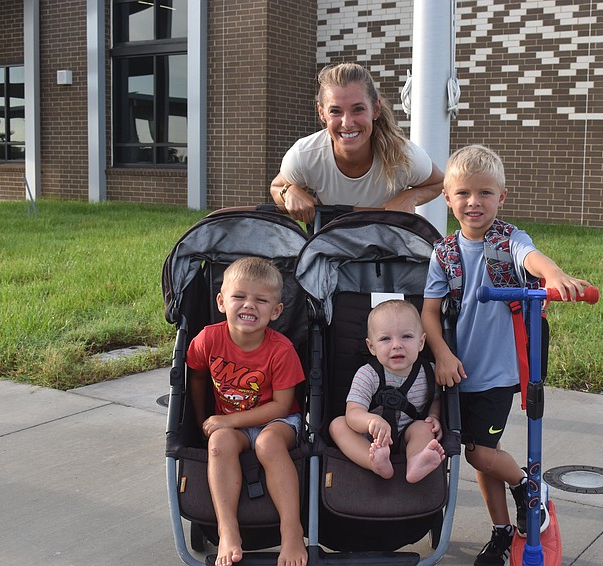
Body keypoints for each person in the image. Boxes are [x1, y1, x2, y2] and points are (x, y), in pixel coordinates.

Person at [420, 145, 591, 566]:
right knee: (479, 453)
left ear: (502, 197)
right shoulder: (443, 253)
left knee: (479, 452)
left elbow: (530, 259)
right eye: (462, 194)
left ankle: (532, 490)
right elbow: (428, 312)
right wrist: (441, 353)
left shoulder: (508, 240)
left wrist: (553, 275)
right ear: (447, 198)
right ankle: (501, 531)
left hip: (497, 372)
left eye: (484, 193)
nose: (473, 202)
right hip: (458, 370)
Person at [186, 257, 307, 566]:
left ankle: (291, 532)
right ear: (222, 301)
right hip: (231, 425)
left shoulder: (281, 351)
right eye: (239, 296)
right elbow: (197, 377)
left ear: (277, 311)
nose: (249, 305)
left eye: (261, 300)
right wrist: (203, 421)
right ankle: (228, 531)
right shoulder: (207, 340)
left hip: (278, 420)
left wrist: (227, 419)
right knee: (219, 443)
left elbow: (280, 405)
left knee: (268, 443)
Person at [270, 62, 444, 224]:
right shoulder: (305, 154)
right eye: (335, 111)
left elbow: (439, 183)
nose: (347, 123)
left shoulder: (404, 155)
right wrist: (288, 192)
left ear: (376, 109)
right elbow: (276, 187)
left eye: (358, 109)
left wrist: (409, 197)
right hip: (331, 243)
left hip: (388, 244)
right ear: (321, 113)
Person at [329, 299, 445, 483]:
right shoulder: (367, 374)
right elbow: (353, 412)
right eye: (385, 339)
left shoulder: (429, 372)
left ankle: (416, 461)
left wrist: (434, 416)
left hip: (408, 434)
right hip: (371, 440)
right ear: (371, 347)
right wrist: (371, 420)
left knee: (424, 427)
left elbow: (436, 398)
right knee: (337, 425)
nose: (397, 345)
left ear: (421, 342)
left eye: (406, 336)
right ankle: (373, 462)